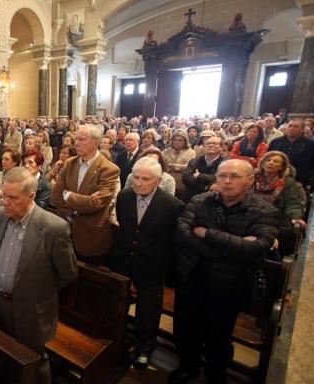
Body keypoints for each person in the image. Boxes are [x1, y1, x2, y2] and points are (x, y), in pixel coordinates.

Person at [170, 159, 279, 384]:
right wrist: (230, 248)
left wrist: (207, 233)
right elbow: (182, 233)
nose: (227, 181)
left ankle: (215, 374)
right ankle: (187, 366)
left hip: (229, 285)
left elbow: (256, 248)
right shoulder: (200, 201)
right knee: (185, 328)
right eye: (222, 176)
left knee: (218, 336)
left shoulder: (264, 211)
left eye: (235, 176)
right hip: (192, 276)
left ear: (250, 180)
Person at [0, 167, 78, 384]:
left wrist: (37, 291)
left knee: (34, 364)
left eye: (12, 198)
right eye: (3, 196)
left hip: (31, 310)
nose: (5, 202)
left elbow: (67, 273)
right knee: (3, 355)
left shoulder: (53, 228)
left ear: (31, 196)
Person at [111, 157, 184, 370]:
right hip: (124, 261)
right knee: (118, 305)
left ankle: (145, 348)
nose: (139, 183)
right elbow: (125, 228)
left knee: (148, 311)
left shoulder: (173, 205)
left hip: (152, 265)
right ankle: (117, 340)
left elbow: (174, 241)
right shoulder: (124, 196)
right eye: (136, 177)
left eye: (146, 179)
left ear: (159, 180)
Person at [51, 125, 120, 265]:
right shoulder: (70, 163)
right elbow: (55, 196)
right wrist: (80, 205)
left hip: (90, 238)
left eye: (82, 139)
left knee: (87, 282)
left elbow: (96, 203)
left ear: (96, 142)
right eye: (76, 138)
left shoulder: (109, 169)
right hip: (65, 233)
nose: (76, 142)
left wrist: (68, 194)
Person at [254, 151, 306, 256]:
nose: (271, 163)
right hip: (251, 215)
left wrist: (296, 217)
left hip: (275, 218)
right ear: (263, 163)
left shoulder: (289, 183)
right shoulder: (252, 178)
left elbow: (293, 203)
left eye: (275, 161)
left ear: (282, 167)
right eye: (268, 160)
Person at [269, 119, 314, 187]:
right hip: (276, 177)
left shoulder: (310, 145)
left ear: (302, 129)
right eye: (290, 126)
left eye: (296, 126)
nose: (292, 128)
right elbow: (268, 158)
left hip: (299, 180)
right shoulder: (276, 142)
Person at [181, 136, 224, 203]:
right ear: (204, 146)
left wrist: (199, 176)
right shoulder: (194, 161)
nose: (211, 145)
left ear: (221, 147)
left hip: (212, 200)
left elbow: (218, 179)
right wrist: (205, 187)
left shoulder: (224, 163)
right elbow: (186, 177)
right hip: (190, 197)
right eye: (208, 143)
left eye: (215, 143)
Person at [163, 129, 196, 198]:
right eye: (175, 140)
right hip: (166, 183)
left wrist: (172, 166)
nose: (177, 142)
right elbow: (161, 165)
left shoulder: (191, 152)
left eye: (180, 140)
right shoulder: (166, 151)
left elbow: (189, 168)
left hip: (182, 185)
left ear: (185, 141)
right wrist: (180, 167)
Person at [0, 148, 21, 214]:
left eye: (6, 159)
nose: (3, 161)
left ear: (15, 162)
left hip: (9, 210)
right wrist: (2, 193)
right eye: (3, 159)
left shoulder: (19, 178)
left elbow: (14, 199)